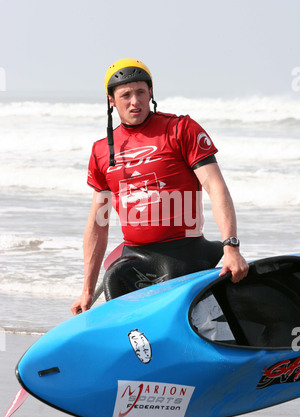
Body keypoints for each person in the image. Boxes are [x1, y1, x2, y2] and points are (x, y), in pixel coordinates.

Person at [71, 58, 249, 315]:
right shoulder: (101, 151)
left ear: (150, 92)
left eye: (141, 92)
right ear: (112, 100)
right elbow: (99, 221)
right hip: (135, 262)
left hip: (187, 256)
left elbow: (216, 187)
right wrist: (87, 289)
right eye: (126, 95)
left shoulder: (180, 130)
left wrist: (230, 247)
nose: (135, 101)